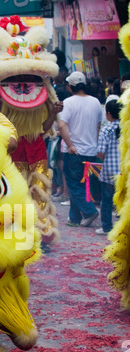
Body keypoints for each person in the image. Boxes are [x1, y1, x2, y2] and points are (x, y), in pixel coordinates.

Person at [58, 71, 103, 227]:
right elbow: (98, 126)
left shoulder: (69, 102)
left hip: (75, 150)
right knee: (82, 184)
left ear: (70, 86)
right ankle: (74, 217)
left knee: (74, 184)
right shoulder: (96, 102)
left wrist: (70, 145)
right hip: (90, 150)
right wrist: (95, 144)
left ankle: (89, 211)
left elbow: (62, 125)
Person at [95, 100, 121, 235]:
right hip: (125, 170)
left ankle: (106, 227)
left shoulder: (106, 129)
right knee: (123, 200)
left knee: (107, 200)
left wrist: (104, 159)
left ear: (109, 114)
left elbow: (101, 152)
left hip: (109, 169)